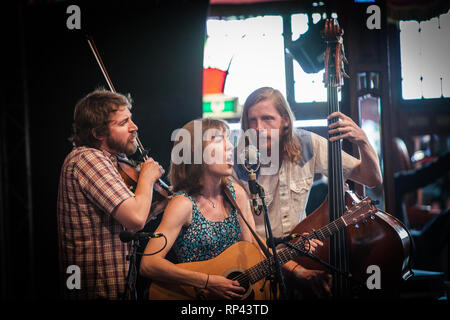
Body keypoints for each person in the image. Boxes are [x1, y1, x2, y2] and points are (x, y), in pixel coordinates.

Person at [139, 118, 322, 300]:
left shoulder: (236, 194)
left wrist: (296, 265)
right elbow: (149, 264)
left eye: (228, 139)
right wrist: (208, 281)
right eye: (219, 140)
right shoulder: (183, 204)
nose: (229, 147)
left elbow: (253, 244)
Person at [232, 87, 383, 298]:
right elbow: (243, 234)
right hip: (257, 266)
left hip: (303, 256)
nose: (258, 128)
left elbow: (371, 178)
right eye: (252, 121)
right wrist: (295, 269)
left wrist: (363, 141)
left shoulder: (307, 144)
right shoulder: (236, 162)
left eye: (267, 119)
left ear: (285, 120)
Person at [57, 89, 165, 300]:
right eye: (124, 123)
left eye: (131, 119)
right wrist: (147, 178)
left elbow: (127, 218)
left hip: (117, 287)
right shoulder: (87, 158)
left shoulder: (112, 160)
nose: (135, 127)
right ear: (98, 133)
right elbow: (135, 218)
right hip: (95, 291)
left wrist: (162, 204)